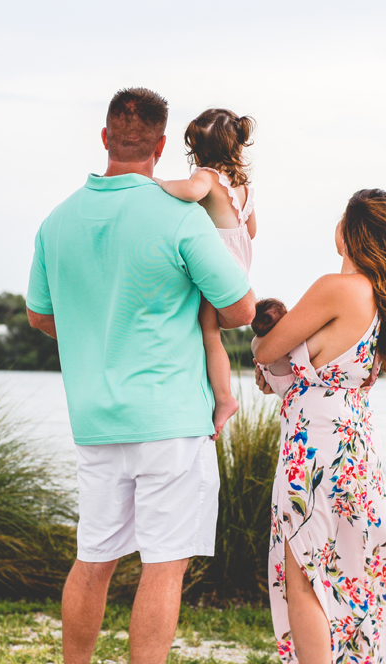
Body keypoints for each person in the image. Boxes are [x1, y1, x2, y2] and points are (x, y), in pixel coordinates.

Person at [27, 87, 255, 664]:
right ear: (160, 147)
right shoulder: (174, 215)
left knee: (93, 556)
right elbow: (239, 307)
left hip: (95, 419)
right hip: (169, 420)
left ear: (104, 138)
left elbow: (43, 317)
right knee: (164, 563)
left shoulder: (57, 221)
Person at [252, 189, 386, 664]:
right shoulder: (382, 301)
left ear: (349, 231)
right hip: (356, 446)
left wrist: (273, 335)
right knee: (351, 574)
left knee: (303, 575)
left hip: (316, 449)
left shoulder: (336, 287)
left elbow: (267, 353)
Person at [154, 109, 257, 439]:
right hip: (239, 263)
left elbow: (190, 192)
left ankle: (224, 398)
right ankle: (222, 395)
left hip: (218, 264)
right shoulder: (243, 186)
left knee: (209, 333)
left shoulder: (206, 177)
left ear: (198, 150)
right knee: (210, 332)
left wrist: (157, 183)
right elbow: (250, 230)